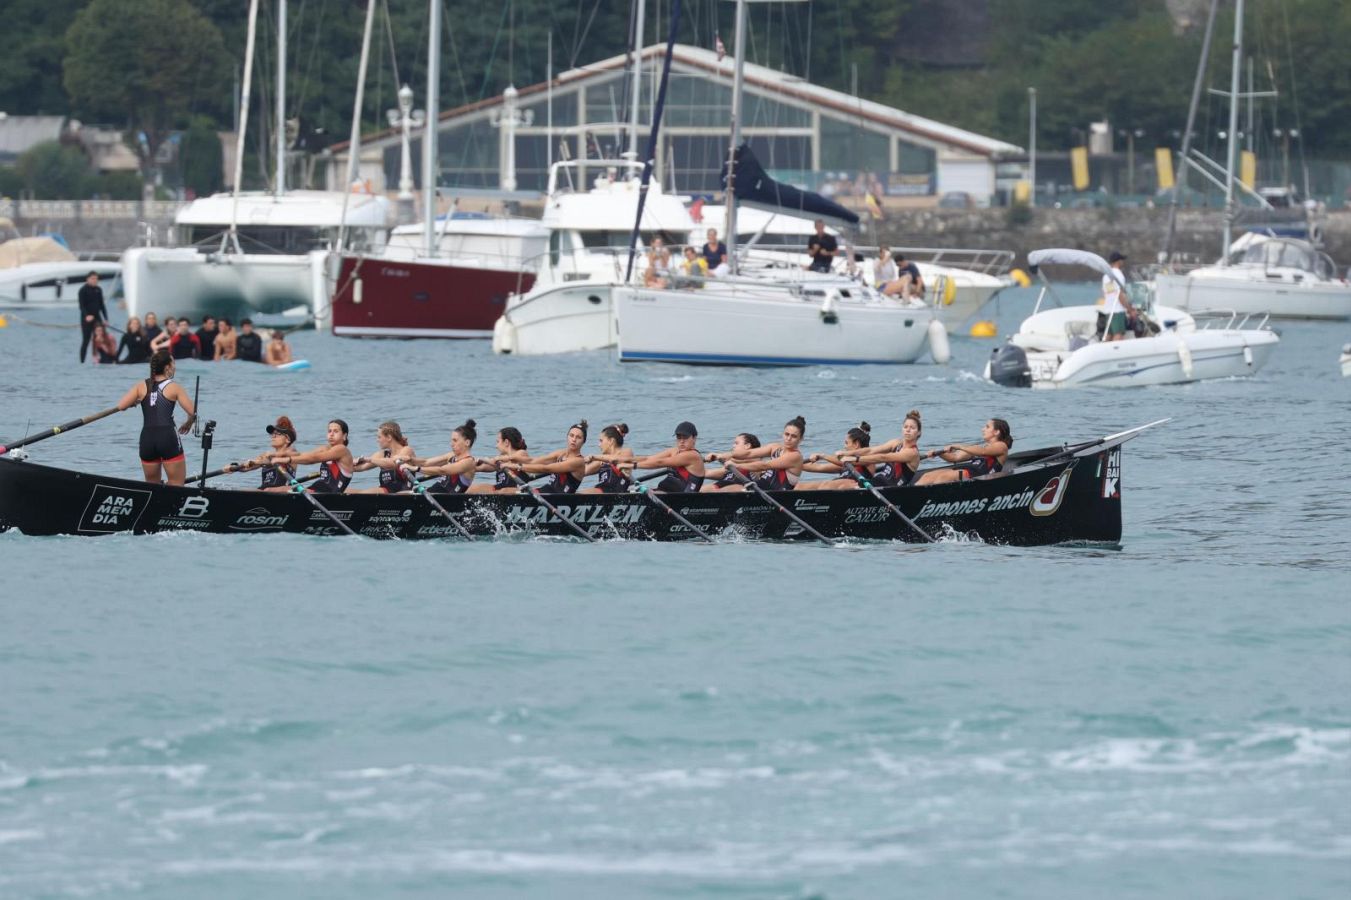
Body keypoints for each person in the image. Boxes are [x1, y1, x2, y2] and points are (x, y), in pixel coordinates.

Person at [114, 349, 197, 485]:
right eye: (173, 363)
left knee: (152, 487)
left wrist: (135, 402)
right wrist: (188, 422)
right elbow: (193, 412)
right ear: (167, 367)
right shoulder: (174, 387)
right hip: (167, 437)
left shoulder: (141, 386)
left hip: (147, 439)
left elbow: (121, 406)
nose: (175, 367)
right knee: (176, 484)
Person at [709, 415, 806, 490]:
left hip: (776, 495)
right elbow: (748, 453)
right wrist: (724, 455)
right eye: (786, 434)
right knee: (721, 488)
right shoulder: (775, 447)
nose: (788, 438)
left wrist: (736, 465)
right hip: (761, 488)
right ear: (782, 433)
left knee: (733, 488)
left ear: (801, 439)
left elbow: (764, 465)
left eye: (793, 436)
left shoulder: (795, 456)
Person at [915, 417, 1012, 485]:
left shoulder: (1001, 446)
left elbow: (983, 451)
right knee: (928, 476)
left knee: (944, 477)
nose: (983, 429)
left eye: (987, 427)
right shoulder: (977, 448)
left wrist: (959, 446)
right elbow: (955, 457)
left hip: (981, 477)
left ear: (996, 432)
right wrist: (939, 454)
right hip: (969, 472)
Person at [841, 411, 924, 488]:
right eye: (905, 427)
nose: (908, 430)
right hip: (880, 481)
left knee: (847, 487)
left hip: (892, 489)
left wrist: (854, 459)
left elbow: (883, 457)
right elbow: (870, 450)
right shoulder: (896, 443)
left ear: (919, 432)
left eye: (912, 428)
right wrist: (848, 453)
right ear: (902, 429)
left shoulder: (912, 453)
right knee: (847, 485)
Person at [269, 419, 355, 493]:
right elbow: (305, 455)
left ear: (344, 436)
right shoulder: (325, 448)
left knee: (274, 490)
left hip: (329, 495)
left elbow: (313, 459)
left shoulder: (342, 450)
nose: (331, 434)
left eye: (336, 431)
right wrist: (278, 455)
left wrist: (287, 460)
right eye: (329, 431)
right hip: (318, 488)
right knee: (272, 490)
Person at [510, 420, 588, 494]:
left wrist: (518, 466)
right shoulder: (561, 453)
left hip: (560, 499)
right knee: (509, 491)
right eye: (571, 435)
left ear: (583, 441)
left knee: (512, 492)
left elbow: (546, 468)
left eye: (578, 437)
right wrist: (507, 459)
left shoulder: (578, 461)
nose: (574, 439)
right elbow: (532, 461)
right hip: (547, 491)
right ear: (567, 436)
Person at [403, 419, 480, 494]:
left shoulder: (468, 462)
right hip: (432, 493)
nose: (451, 444)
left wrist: (415, 469)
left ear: (467, 442)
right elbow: (426, 462)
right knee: (400, 493)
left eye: (455, 440)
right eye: (451, 440)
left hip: (447, 499)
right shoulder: (451, 456)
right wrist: (410, 460)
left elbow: (442, 470)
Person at [225, 416, 300, 491]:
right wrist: (235, 467)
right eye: (272, 434)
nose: (273, 436)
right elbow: (247, 467)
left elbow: (275, 460)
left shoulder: (292, 452)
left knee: (268, 490)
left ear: (287, 439)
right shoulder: (265, 455)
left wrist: (257, 462)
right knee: (235, 490)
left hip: (285, 491)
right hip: (265, 491)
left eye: (278, 434)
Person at [630, 421, 705, 492]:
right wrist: (624, 461)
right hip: (666, 493)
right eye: (679, 437)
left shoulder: (692, 455)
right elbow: (648, 458)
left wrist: (633, 466)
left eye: (685, 437)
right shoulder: (673, 451)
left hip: (684, 498)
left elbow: (660, 462)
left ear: (694, 438)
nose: (682, 441)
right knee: (633, 489)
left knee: (636, 489)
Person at [797, 422, 874, 490]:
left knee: (826, 485)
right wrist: (793, 465)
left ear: (856, 444)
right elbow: (818, 467)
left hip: (852, 491)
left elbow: (846, 460)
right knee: (799, 486)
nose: (844, 446)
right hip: (836, 488)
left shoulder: (868, 459)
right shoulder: (845, 464)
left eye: (846, 443)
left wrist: (823, 456)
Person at [351, 421, 417, 493]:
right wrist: (344, 463)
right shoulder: (382, 454)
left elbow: (393, 464)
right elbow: (361, 467)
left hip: (403, 492)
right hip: (385, 491)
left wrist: (369, 459)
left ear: (389, 437)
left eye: (379, 437)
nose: (377, 440)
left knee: (363, 494)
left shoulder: (406, 450)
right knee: (344, 491)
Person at [467, 426, 531, 494]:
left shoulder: (521, 453)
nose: (496, 446)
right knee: (471, 489)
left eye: (498, 442)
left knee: (503, 491)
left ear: (506, 442)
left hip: (516, 491)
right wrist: (467, 466)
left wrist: (493, 459)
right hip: (499, 491)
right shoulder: (500, 458)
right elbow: (483, 467)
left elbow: (512, 458)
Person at [583, 423, 635, 494]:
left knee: (582, 494)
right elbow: (583, 471)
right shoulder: (601, 460)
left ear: (611, 441)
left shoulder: (626, 452)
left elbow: (615, 459)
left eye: (601, 441)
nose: (599, 445)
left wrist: (593, 457)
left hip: (616, 493)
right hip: (602, 491)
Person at [1101, 251, 1136, 342]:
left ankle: (1104, 353)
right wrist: (1130, 310)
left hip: (1108, 310)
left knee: (1109, 335)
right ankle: (1112, 354)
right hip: (1117, 310)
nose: (1123, 262)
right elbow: (1120, 295)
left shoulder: (1106, 276)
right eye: (1122, 260)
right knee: (1118, 335)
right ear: (1118, 261)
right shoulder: (1119, 275)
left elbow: (1106, 293)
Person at [77, 271, 108, 363]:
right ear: (88, 279)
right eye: (93, 279)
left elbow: (102, 305)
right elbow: (81, 306)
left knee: (99, 338)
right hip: (86, 319)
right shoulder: (82, 290)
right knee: (86, 340)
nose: (95, 281)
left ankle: (99, 359)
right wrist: (87, 316)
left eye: (96, 279)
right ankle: (82, 361)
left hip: (97, 318)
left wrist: (105, 318)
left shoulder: (99, 289)